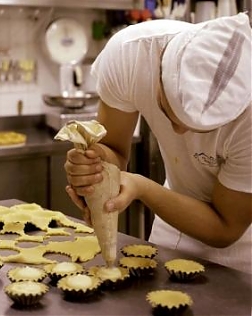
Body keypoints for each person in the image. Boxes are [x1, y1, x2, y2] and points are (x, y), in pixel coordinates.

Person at [63, 13, 252, 274]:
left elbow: (225, 228)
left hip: (243, 245)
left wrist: (141, 187)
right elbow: (115, 153)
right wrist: (94, 166)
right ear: (160, 67)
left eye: (198, 128)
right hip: (171, 218)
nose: (178, 131)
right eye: (167, 111)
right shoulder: (130, 56)